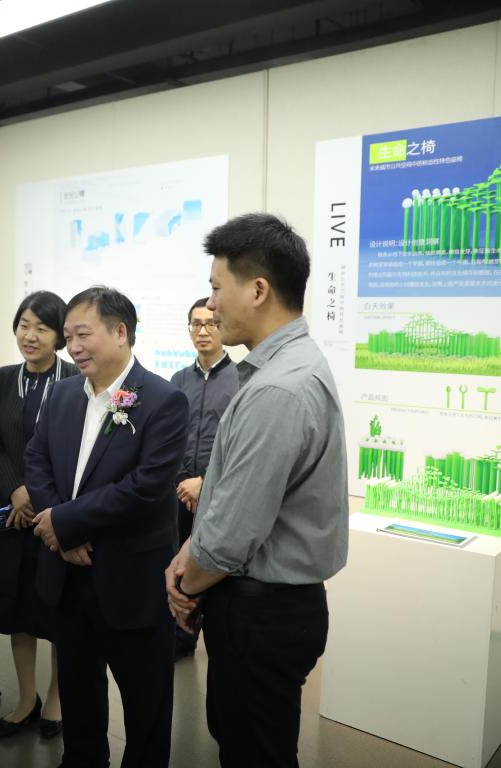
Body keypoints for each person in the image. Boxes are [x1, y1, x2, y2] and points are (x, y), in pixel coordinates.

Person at [165, 213, 349, 768]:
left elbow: (232, 533)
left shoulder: (278, 390)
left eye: (217, 288)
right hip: (268, 606)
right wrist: (190, 553)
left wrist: (185, 584)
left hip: (261, 612)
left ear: (258, 290)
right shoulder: (288, 368)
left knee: (255, 752)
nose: (211, 305)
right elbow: (232, 498)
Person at [25, 286, 188, 768]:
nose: (73, 347)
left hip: (131, 581)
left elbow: (146, 487)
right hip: (69, 576)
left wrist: (65, 523)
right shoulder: (62, 394)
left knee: (145, 705)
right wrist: (61, 531)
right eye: (69, 336)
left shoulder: (163, 400)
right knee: (78, 696)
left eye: (83, 335)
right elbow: (36, 460)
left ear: (120, 333)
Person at [0, 291, 78, 740]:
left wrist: (40, 499)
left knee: (56, 610)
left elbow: (77, 452)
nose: (30, 335)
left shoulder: (75, 379)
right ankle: (26, 698)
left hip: (55, 516)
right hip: (11, 516)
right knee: (16, 609)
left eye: (42, 327)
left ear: (59, 335)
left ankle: (56, 699)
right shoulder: (4, 379)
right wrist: (16, 490)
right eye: (24, 325)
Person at [168, 298, 239, 660]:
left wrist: (204, 483)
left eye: (211, 323)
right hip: (180, 493)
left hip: (221, 492)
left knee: (211, 563)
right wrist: (185, 483)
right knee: (178, 562)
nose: (203, 331)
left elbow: (239, 446)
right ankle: (181, 635)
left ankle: (214, 635)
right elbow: (170, 437)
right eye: (196, 324)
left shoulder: (241, 379)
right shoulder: (178, 380)